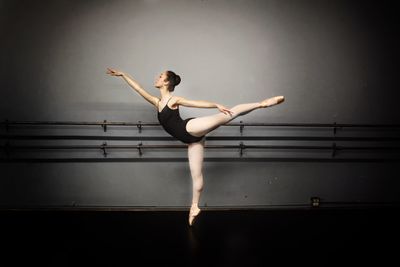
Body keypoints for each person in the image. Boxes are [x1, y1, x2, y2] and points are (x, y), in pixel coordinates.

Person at [106, 68, 285, 226]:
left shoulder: (173, 100)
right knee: (196, 177)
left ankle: (262, 104)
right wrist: (123, 75)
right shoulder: (157, 102)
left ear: (166, 82)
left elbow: (195, 103)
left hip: (189, 128)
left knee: (228, 115)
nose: (157, 78)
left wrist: (215, 105)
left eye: (160, 76)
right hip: (191, 140)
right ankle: (194, 207)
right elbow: (138, 89)